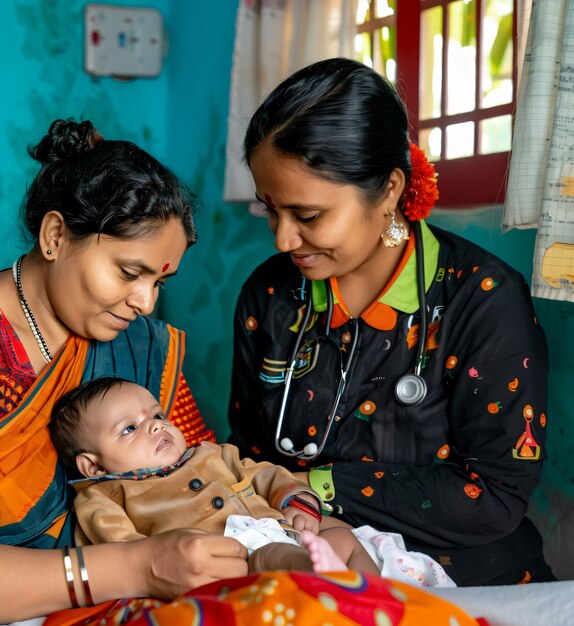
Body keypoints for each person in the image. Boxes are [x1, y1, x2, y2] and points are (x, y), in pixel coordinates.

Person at [228, 57, 556, 587]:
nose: (283, 239)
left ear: (388, 191)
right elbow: (247, 453)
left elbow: (494, 495)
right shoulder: (271, 294)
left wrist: (318, 487)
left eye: (307, 216)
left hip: (460, 584)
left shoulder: (483, 299)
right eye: (271, 210)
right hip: (303, 571)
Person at [0, 118, 249, 623]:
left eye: (161, 283)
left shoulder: (144, 352)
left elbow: (200, 468)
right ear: (54, 236)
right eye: (129, 272)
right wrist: (134, 566)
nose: (145, 302)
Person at [49, 376, 381, 576]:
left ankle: (379, 601)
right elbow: (121, 548)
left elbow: (263, 474)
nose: (157, 425)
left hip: (280, 533)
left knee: (345, 541)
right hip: (225, 562)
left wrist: (295, 498)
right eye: (130, 428)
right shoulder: (104, 496)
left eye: (158, 415)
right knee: (271, 558)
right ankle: (324, 577)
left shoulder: (212, 453)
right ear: (94, 467)